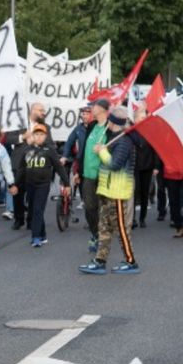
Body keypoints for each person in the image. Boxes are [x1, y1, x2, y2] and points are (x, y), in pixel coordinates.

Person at [78, 106, 139, 275]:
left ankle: (131, 261)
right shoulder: (114, 137)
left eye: (110, 120)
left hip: (118, 193)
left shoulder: (125, 141)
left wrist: (102, 151)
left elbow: (114, 164)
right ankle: (100, 260)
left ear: (113, 122)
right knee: (103, 228)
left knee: (121, 229)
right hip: (107, 191)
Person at [16, 124, 71, 247]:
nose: (39, 137)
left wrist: (66, 183)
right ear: (32, 136)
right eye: (36, 134)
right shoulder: (26, 150)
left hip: (43, 185)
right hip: (29, 184)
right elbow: (21, 169)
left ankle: (35, 237)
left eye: (41, 135)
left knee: (37, 210)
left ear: (45, 136)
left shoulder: (49, 151)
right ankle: (43, 234)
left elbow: (59, 168)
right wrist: (15, 184)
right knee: (33, 209)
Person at [75, 99, 110, 252]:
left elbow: (117, 151)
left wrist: (103, 150)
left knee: (103, 208)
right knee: (89, 207)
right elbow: (83, 150)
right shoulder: (92, 126)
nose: (91, 108)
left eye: (93, 106)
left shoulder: (111, 127)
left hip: (103, 174)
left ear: (102, 109)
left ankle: (101, 237)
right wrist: (78, 170)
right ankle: (95, 233)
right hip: (87, 175)